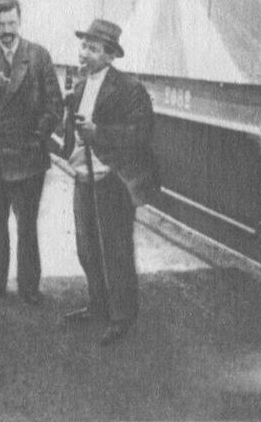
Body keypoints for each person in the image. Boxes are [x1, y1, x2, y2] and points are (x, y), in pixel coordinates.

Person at [62, 19, 159, 345]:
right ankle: (98, 305)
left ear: (109, 55)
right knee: (87, 248)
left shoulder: (130, 89)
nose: (83, 53)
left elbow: (141, 134)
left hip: (113, 181)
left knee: (115, 251)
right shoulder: (79, 87)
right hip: (84, 179)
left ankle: (122, 316)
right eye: (83, 46)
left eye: (92, 48)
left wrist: (99, 133)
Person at [0, 0, 63, 306]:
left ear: (20, 21)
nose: (7, 30)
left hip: (28, 157)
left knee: (27, 226)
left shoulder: (38, 56)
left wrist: (38, 134)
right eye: (1, 24)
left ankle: (29, 287)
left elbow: (54, 104)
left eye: (12, 23)